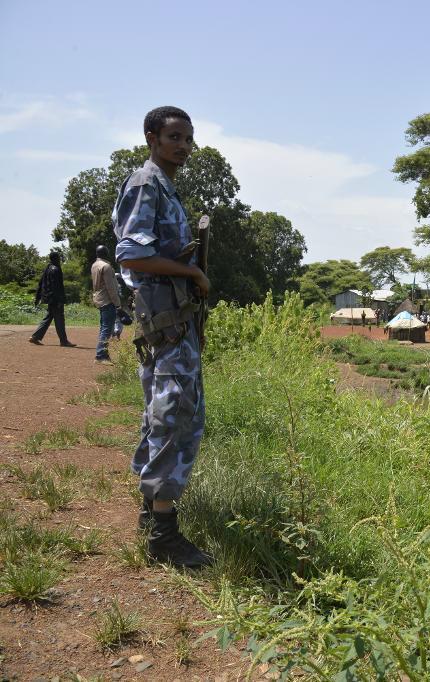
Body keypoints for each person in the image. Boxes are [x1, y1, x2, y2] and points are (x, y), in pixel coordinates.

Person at [112, 106, 212, 569]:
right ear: (151, 137)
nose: (183, 146)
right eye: (174, 136)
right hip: (166, 320)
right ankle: (162, 534)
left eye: (188, 138)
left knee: (165, 413)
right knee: (174, 416)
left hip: (175, 319)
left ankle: (151, 515)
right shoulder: (146, 183)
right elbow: (132, 255)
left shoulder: (165, 186)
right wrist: (189, 270)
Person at [28, 252, 76, 348]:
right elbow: (56, 287)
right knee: (60, 320)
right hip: (55, 299)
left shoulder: (48, 268)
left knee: (49, 317)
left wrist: (38, 297)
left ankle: (35, 337)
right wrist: (59, 300)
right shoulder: (56, 269)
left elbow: (41, 283)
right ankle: (64, 341)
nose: (60, 260)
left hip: (49, 298)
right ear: (56, 259)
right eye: (59, 258)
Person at [91, 245, 122, 364]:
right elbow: (111, 288)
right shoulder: (107, 266)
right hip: (108, 300)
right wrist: (118, 303)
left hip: (99, 299)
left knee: (104, 327)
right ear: (106, 253)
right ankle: (100, 356)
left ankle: (104, 354)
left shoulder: (94, 265)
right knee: (107, 329)